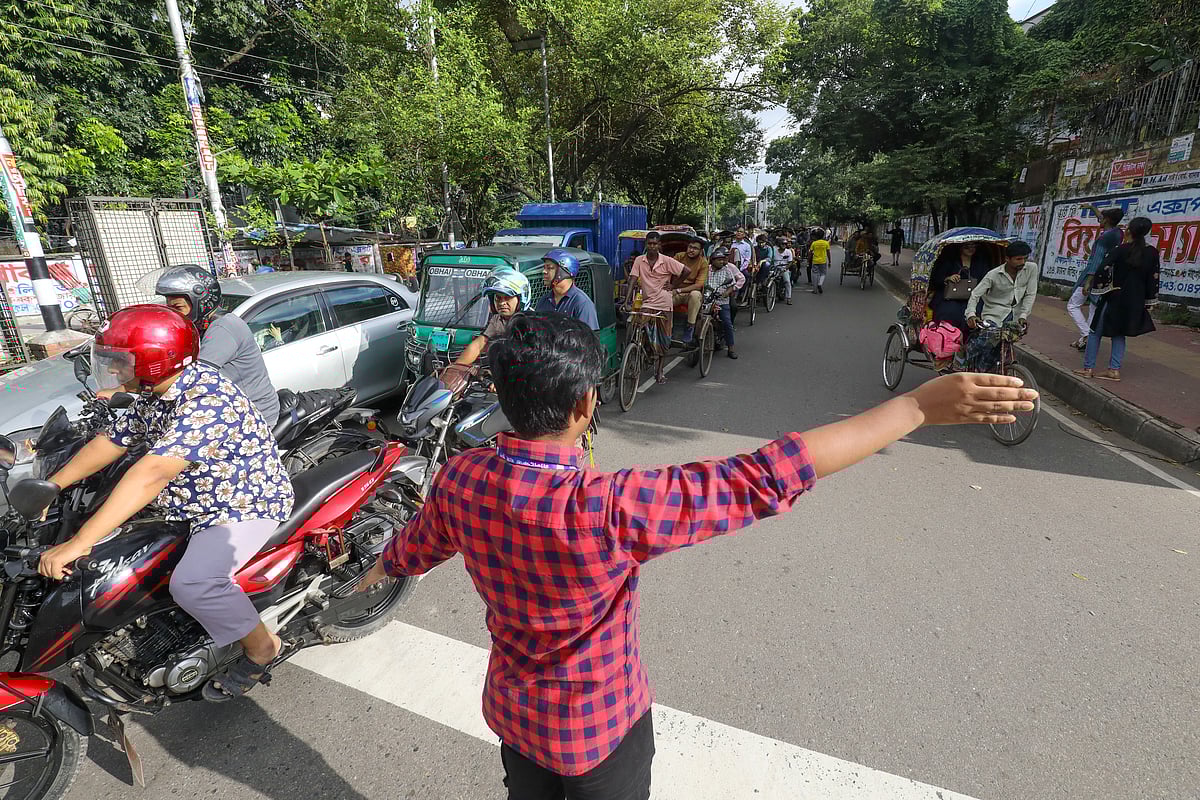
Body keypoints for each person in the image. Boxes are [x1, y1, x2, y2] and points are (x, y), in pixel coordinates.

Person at [356, 312, 1036, 799]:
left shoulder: (461, 481)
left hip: (513, 717)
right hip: (600, 732)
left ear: (502, 396)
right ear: (587, 403)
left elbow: (410, 551)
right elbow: (763, 475)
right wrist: (913, 408)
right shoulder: (608, 507)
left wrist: (372, 570)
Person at [37, 305, 294, 701]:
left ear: (156, 361)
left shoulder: (206, 397)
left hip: (240, 503)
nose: (117, 371)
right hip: (182, 503)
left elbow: (152, 473)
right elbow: (113, 439)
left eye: (123, 362)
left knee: (194, 583)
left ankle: (263, 648)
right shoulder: (153, 392)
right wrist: (53, 485)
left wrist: (80, 542)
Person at [155, 264, 280, 424]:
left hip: (253, 415)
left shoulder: (224, 327)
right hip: (226, 409)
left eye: (178, 308)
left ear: (200, 301)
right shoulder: (197, 327)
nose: (173, 314)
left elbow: (195, 378)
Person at [1074, 216, 1159, 382]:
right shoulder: (1152, 252)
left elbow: (1102, 268)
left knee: (1094, 331)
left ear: (1129, 231)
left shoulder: (1120, 249)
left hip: (1115, 296)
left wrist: (1100, 287)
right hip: (1135, 300)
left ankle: (1088, 368)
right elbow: (1154, 278)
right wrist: (1149, 301)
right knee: (1119, 333)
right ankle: (1114, 370)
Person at [442, 266, 531, 393]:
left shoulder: (529, 323)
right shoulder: (497, 320)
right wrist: (455, 369)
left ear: (521, 298)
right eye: (498, 298)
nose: (502, 303)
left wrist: (505, 381)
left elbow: (526, 360)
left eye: (507, 297)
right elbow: (478, 345)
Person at [963, 241, 1039, 371]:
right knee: (989, 338)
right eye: (1018, 259)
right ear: (1007, 259)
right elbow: (975, 294)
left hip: (1015, 316)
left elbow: (1030, 294)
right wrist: (971, 314)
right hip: (994, 314)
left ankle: (991, 372)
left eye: (1025, 258)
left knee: (1000, 349)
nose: (1022, 262)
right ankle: (964, 355)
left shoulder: (1031, 268)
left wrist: (1023, 315)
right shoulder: (993, 275)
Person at [625, 231, 689, 384]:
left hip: (664, 304)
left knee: (664, 339)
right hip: (647, 302)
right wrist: (627, 301)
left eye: (655, 244)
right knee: (636, 325)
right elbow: (633, 280)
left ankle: (660, 370)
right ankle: (638, 352)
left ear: (659, 245)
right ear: (646, 245)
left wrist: (674, 285)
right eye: (649, 244)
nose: (652, 246)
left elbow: (686, 271)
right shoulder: (639, 260)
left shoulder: (666, 261)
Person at [1067, 204, 1124, 350]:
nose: (1100, 220)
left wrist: (1088, 280)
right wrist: (1092, 208)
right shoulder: (1118, 232)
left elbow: (1096, 259)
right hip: (1107, 276)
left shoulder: (1104, 238)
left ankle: (1086, 334)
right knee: (1094, 308)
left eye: (1102, 218)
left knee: (1073, 305)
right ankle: (1087, 340)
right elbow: (1101, 218)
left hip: (1094, 274)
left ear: (1107, 220)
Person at [929, 242, 994, 334]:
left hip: (973, 296)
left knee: (975, 313)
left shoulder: (981, 261)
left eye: (973, 246)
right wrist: (948, 278)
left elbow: (987, 279)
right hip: (950, 296)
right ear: (960, 248)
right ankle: (947, 337)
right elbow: (936, 278)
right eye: (967, 247)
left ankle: (969, 340)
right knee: (949, 312)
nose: (970, 249)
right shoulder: (949, 260)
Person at [535, 248, 599, 330]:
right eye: (544, 268)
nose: (544, 271)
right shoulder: (544, 301)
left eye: (550, 268)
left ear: (563, 272)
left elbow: (590, 340)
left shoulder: (582, 303)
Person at [705, 247, 745, 358]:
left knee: (727, 323)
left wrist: (726, 293)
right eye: (719, 259)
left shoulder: (727, 270)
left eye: (723, 259)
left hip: (722, 301)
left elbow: (731, 285)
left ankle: (731, 348)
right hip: (707, 301)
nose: (722, 261)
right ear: (713, 260)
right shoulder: (706, 269)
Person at [672, 238, 710, 345]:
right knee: (664, 299)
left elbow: (698, 285)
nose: (691, 250)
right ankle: (667, 328)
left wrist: (679, 290)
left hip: (690, 293)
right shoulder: (679, 256)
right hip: (675, 291)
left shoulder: (703, 263)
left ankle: (690, 327)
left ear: (701, 251)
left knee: (695, 294)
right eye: (690, 247)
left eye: (695, 248)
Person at [808, 228, 831, 294]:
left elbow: (810, 253)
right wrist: (830, 261)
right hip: (823, 261)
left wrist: (808, 260)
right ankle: (820, 284)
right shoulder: (826, 243)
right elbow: (828, 253)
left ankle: (814, 290)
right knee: (823, 274)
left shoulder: (814, 243)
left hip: (815, 261)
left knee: (815, 274)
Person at [774, 235, 794, 305]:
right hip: (775, 269)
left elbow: (790, 262)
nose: (784, 245)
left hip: (784, 269)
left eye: (785, 244)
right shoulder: (774, 251)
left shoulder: (788, 252)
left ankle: (788, 298)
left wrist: (785, 269)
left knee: (787, 281)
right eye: (782, 244)